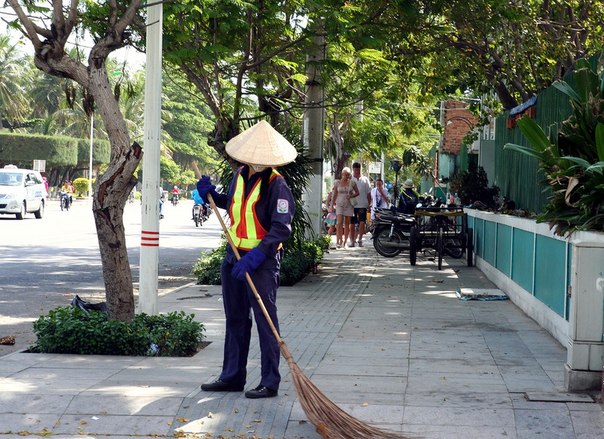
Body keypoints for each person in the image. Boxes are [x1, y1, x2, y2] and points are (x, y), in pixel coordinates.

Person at [196, 120, 296, 399]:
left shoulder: (277, 185)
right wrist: (210, 196)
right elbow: (232, 204)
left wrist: (255, 258)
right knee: (236, 318)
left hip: (260, 262)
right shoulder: (239, 174)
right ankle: (232, 376)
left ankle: (270, 381)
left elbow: (281, 228)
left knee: (266, 320)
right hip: (233, 257)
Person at [330, 167, 359, 249]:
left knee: (347, 223)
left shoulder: (352, 183)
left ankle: (345, 242)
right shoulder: (337, 183)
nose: (346, 176)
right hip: (339, 204)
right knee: (339, 223)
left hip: (349, 204)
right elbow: (334, 194)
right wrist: (332, 205)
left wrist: (351, 195)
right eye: (345, 174)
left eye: (348, 175)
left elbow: (357, 193)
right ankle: (338, 241)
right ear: (342, 174)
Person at [349, 162, 371, 247]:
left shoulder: (365, 179)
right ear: (353, 170)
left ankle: (360, 239)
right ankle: (352, 240)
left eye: (358, 170)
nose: (357, 172)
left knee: (362, 222)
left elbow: (369, 193)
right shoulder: (350, 179)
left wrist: (369, 204)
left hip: (363, 204)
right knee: (352, 223)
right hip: (353, 205)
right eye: (355, 170)